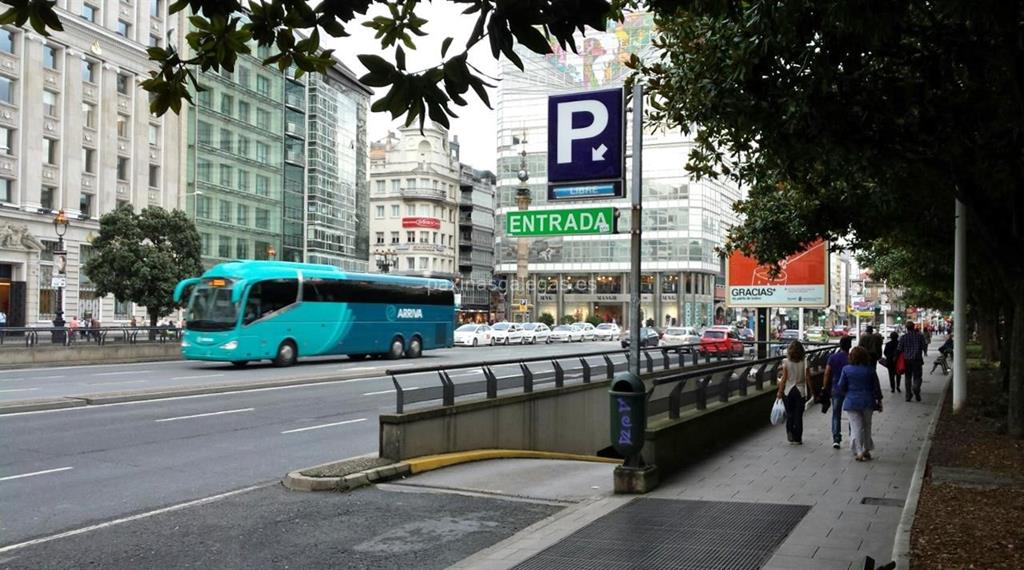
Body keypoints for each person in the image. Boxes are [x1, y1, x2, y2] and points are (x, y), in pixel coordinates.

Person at [836, 346, 884, 461]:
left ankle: (859, 451)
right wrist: (879, 400)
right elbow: (876, 387)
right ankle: (866, 449)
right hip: (868, 401)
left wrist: (847, 393)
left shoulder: (846, 369)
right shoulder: (870, 370)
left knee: (856, 426)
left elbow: (841, 386)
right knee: (867, 426)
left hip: (852, 401)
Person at [821, 335, 853, 448]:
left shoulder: (833, 357)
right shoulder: (851, 358)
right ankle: (852, 435)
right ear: (850, 346)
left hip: (836, 388)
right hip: (849, 389)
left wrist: (825, 387)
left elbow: (827, 373)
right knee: (851, 413)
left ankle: (836, 438)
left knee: (836, 414)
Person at [776, 340, 810, 444]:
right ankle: (798, 438)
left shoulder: (786, 362)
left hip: (789, 390)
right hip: (800, 390)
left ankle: (789, 431)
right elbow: (808, 377)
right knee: (798, 415)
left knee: (790, 414)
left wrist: (780, 392)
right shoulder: (805, 361)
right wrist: (812, 391)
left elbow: (784, 378)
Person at [897, 321, 928, 402]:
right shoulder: (919, 336)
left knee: (907, 378)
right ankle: (916, 388)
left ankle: (908, 395)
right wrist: (924, 351)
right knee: (917, 377)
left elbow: (899, 349)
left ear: (906, 328)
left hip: (907, 361)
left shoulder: (903, 337)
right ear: (914, 327)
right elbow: (924, 346)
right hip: (917, 360)